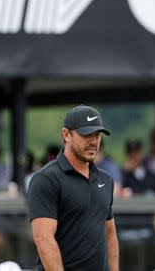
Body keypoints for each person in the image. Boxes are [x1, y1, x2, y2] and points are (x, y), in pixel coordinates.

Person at [27, 105, 118, 271]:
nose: (93, 141)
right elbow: (43, 238)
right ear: (66, 135)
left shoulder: (105, 179)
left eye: (97, 135)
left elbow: (110, 232)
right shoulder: (46, 179)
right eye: (86, 135)